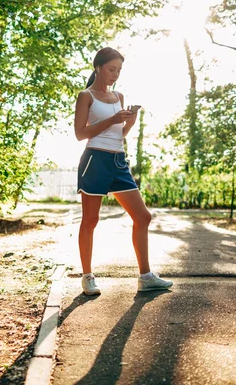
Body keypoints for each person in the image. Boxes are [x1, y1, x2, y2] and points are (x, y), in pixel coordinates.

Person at [73, 47, 173, 295]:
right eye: (111, 69)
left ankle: (146, 277)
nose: (115, 75)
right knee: (91, 220)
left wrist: (128, 123)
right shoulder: (85, 95)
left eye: (119, 70)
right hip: (94, 160)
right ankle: (87, 277)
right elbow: (80, 134)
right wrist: (113, 120)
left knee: (143, 217)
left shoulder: (119, 96)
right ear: (98, 67)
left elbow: (119, 134)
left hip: (118, 162)